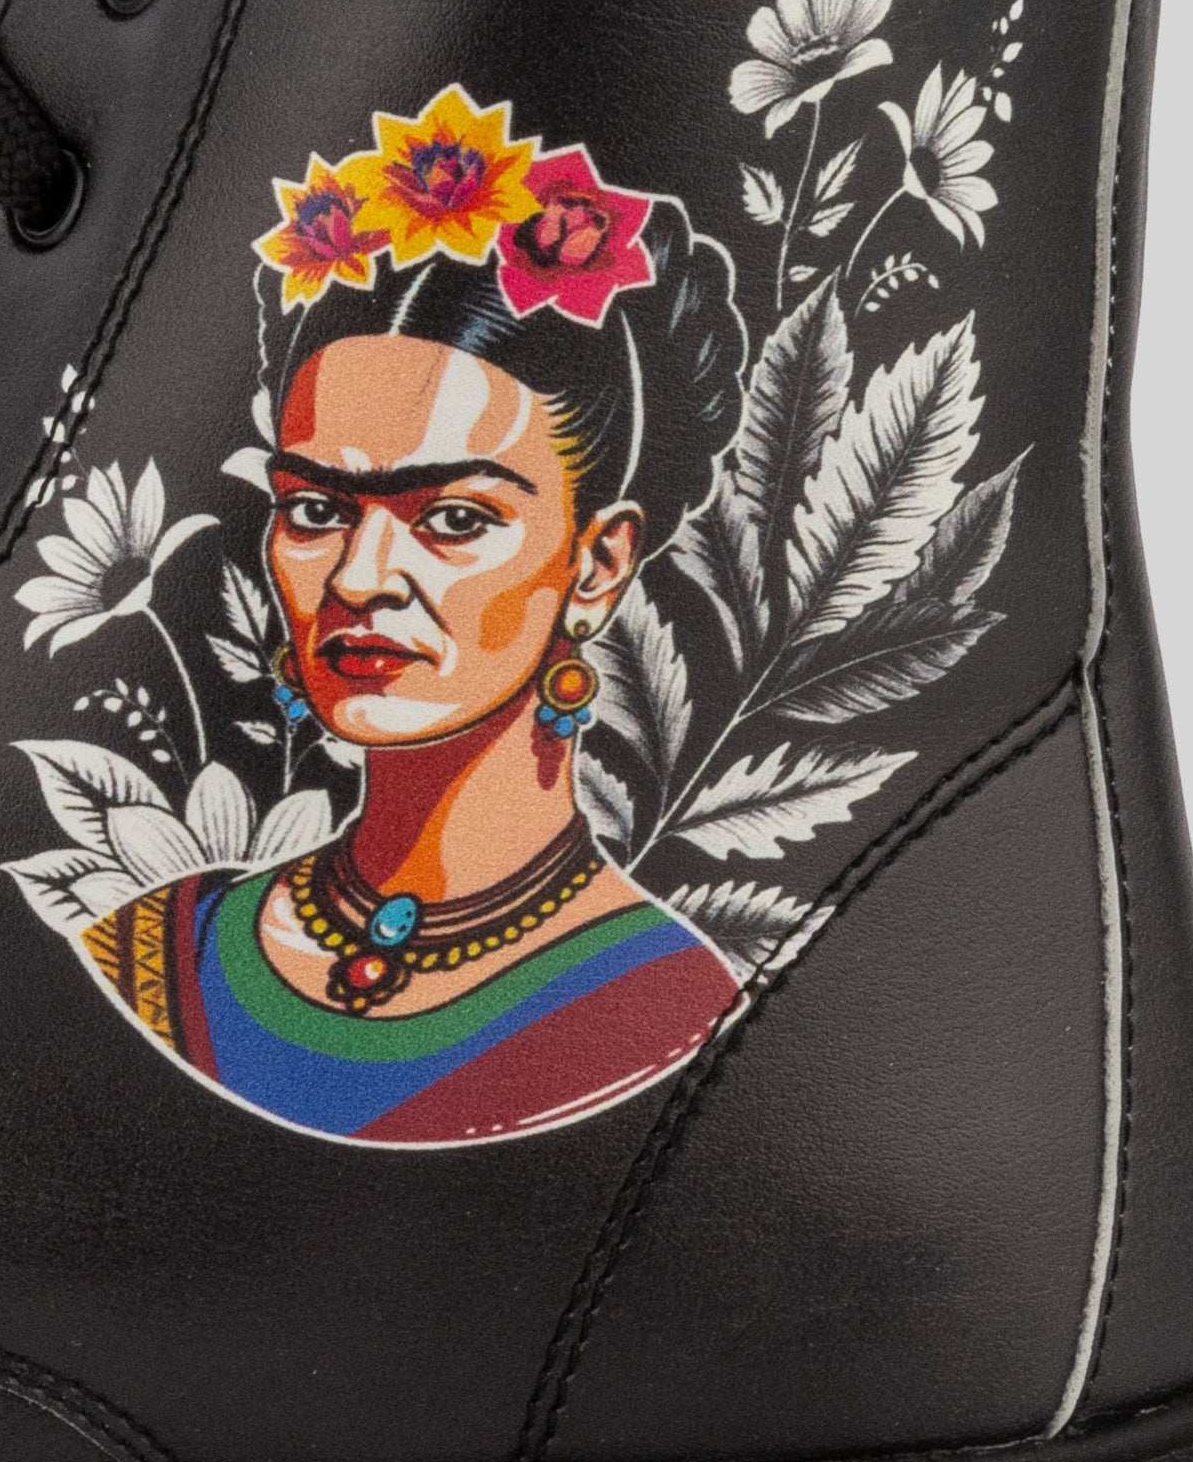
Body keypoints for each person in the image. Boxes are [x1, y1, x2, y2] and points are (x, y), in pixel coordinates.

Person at [84, 107, 749, 1147]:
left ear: (598, 562)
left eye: (453, 520)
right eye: (315, 508)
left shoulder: (669, 1009)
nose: (360, 578)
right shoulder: (163, 952)